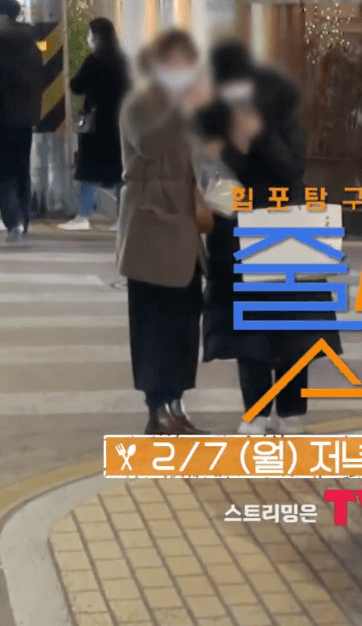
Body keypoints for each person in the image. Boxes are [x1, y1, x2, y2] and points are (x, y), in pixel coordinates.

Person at [198, 40, 342, 434]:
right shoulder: (218, 122)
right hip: (239, 234)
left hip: (284, 231)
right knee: (251, 332)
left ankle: (291, 411)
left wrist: (256, 135)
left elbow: (290, 168)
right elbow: (215, 172)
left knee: (293, 329)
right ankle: (259, 412)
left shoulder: (282, 123)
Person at [117, 29, 213, 434]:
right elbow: (151, 144)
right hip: (152, 226)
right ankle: (157, 407)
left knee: (184, 323)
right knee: (153, 323)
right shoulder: (140, 104)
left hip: (185, 228)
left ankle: (176, 404)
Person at [60, 18, 130, 232]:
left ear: (96, 37)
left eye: (90, 35)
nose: (88, 39)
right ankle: (121, 219)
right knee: (119, 171)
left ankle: (83, 216)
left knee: (88, 171)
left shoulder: (94, 60)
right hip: (118, 123)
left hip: (96, 122)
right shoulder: (123, 60)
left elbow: (77, 85)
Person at [0, 0, 41, 243]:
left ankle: (12, 222)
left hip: (2, 118)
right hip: (24, 119)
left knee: (4, 172)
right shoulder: (32, 45)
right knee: (21, 169)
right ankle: (23, 220)